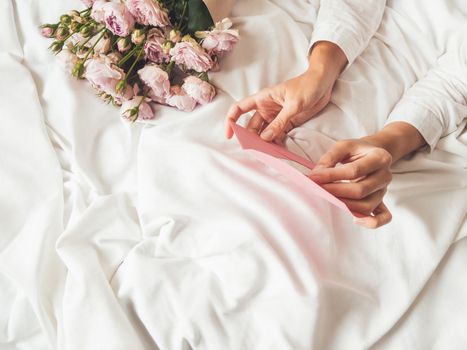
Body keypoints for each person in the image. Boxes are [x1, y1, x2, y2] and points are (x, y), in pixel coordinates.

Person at [225, 1, 467, 228]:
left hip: (408, 102)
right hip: (327, 35)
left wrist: (386, 143)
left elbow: (455, 82)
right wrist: (320, 72)